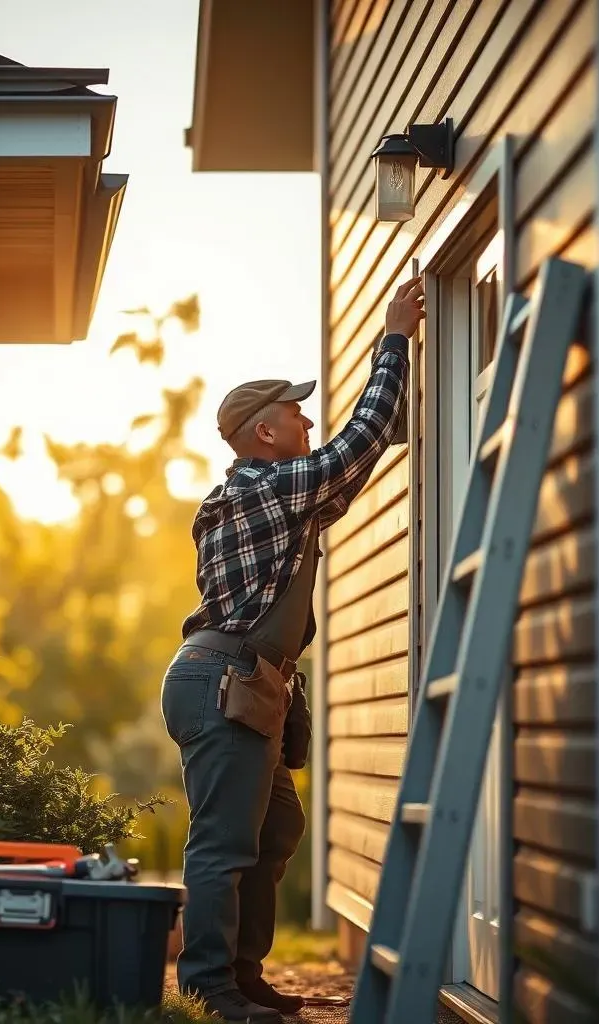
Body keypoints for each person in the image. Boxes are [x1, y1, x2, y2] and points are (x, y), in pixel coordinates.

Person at [160, 277, 424, 1022]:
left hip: (245, 681)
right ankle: (209, 987)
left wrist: (397, 407)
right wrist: (393, 341)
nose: (308, 419)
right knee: (223, 842)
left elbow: (349, 467)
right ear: (265, 434)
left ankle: (242, 977)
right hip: (225, 681)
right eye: (295, 414)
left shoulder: (277, 494)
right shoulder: (263, 490)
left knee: (276, 829)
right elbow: (350, 449)